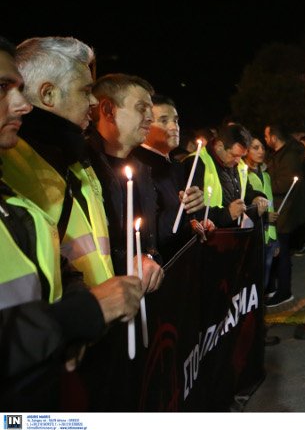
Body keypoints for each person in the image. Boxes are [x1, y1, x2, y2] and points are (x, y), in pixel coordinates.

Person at [0, 37, 142, 410]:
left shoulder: (77, 158)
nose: (21, 104)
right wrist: (77, 316)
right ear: (49, 94)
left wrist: (84, 304)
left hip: (70, 361)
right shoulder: (16, 164)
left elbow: (54, 259)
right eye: (3, 88)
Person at [1, 37, 114, 287]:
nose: (94, 101)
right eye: (85, 91)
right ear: (48, 94)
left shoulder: (77, 156)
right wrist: (87, 304)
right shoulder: (10, 163)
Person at [86, 74, 165, 292]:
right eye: (141, 108)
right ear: (108, 110)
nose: (150, 118)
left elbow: (152, 235)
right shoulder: (82, 167)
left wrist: (188, 216)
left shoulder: (145, 169)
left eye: (151, 109)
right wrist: (129, 262)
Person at [130, 94, 205, 263]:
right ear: (145, 124)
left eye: (176, 121)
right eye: (163, 121)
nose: (173, 127)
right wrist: (183, 208)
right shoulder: (138, 167)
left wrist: (197, 219)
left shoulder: (177, 166)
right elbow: (150, 232)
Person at [263, 124, 305, 307]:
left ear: (274, 137)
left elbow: (285, 184)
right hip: (280, 208)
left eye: (266, 136)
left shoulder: (289, 156)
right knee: (276, 250)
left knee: (282, 252)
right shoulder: (279, 154)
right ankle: (273, 287)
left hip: (285, 210)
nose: (265, 140)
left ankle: (284, 291)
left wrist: (264, 183)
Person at [184, 123, 268, 230]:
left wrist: (256, 197)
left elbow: (246, 190)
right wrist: (226, 214)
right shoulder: (196, 162)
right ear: (220, 146)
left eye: (241, 156)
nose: (238, 160)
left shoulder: (238, 164)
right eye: (234, 155)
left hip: (236, 233)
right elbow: (192, 210)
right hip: (210, 234)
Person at [244, 137, 281, 346]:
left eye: (262, 148)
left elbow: (270, 205)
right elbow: (248, 208)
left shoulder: (265, 175)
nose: (260, 151)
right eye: (255, 148)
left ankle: (260, 327)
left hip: (268, 237)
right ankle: (256, 332)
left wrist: (275, 239)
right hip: (255, 239)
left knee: (263, 287)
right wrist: (266, 218)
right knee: (255, 288)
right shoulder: (243, 174)